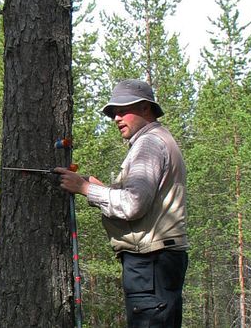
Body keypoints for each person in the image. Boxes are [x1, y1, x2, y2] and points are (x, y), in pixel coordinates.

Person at [55, 79, 188, 327]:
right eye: (114, 113)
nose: (116, 118)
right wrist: (101, 189)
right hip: (159, 261)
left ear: (146, 109)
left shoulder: (148, 144)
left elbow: (133, 204)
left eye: (123, 110)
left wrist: (85, 188)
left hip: (150, 262)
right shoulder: (160, 139)